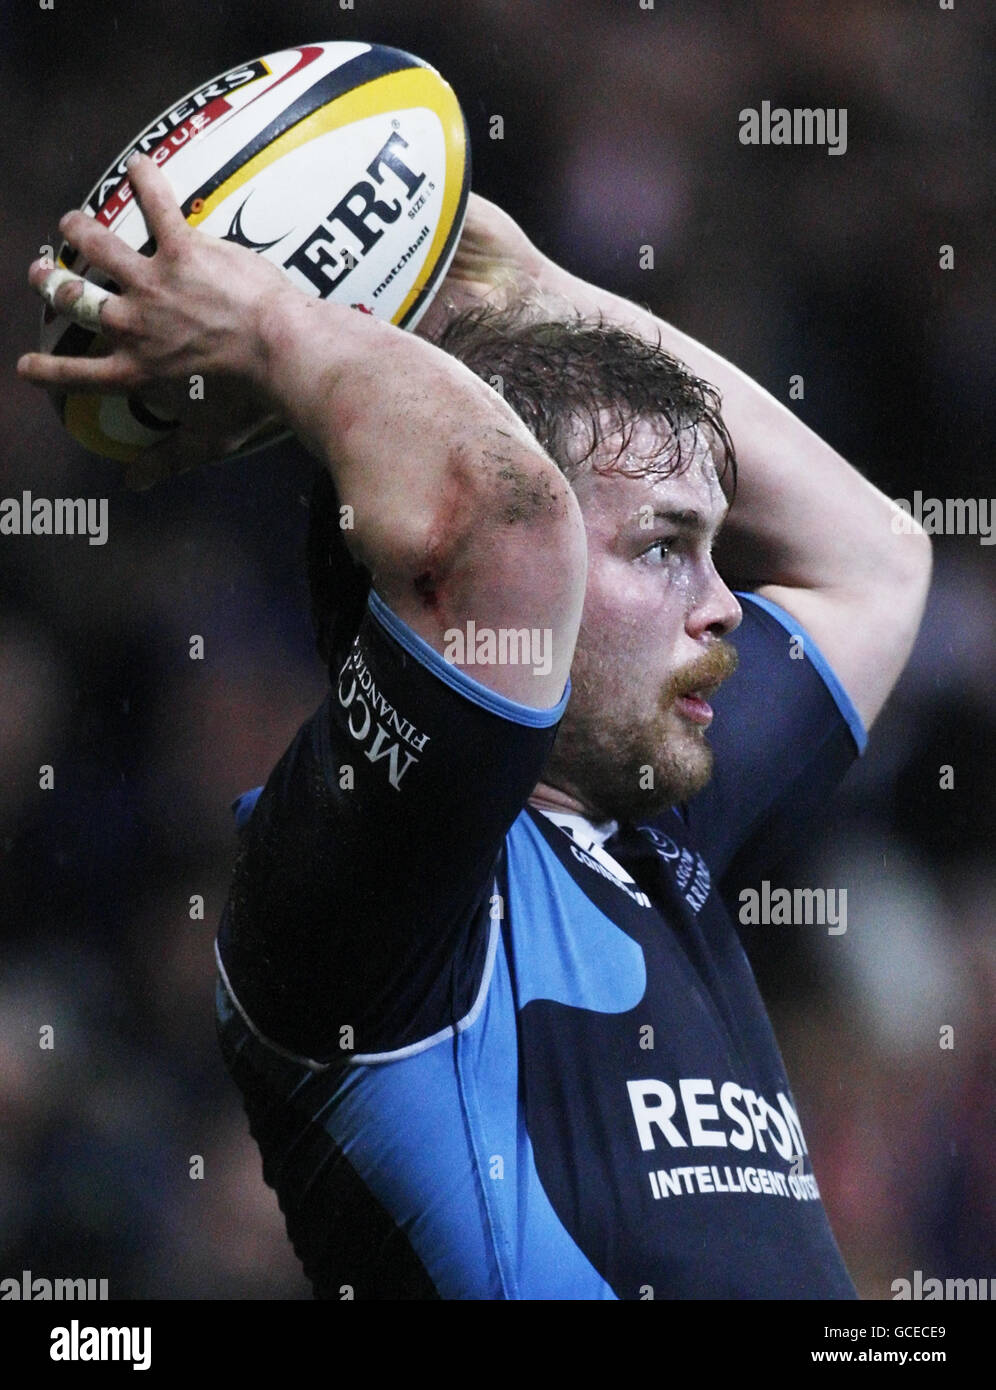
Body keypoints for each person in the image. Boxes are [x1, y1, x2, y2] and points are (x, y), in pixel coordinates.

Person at [20, 152, 931, 1300]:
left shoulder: (651, 825)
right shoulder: (365, 871)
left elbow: (877, 561)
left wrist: (535, 288)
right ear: (430, 589)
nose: (723, 605)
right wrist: (268, 328)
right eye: (662, 547)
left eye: (714, 548)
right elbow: (507, 524)